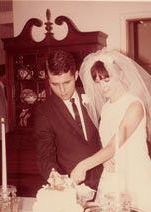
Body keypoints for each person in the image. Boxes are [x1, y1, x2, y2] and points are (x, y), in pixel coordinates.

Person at [70, 48, 151, 212]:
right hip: (113, 173)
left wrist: (83, 165)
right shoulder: (107, 107)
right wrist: (103, 158)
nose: (101, 86)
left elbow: (115, 144)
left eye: (106, 80)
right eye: (97, 82)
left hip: (134, 173)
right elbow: (107, 141)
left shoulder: (134, 105)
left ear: (120, 76)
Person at [34, 49, 103, 191]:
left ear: (76, 75)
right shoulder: (44, 111)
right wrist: (55, 176)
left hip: (107, 178)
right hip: (73, 186)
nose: (62, 90)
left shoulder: (95, 96)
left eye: (66, 82)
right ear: (48, 80)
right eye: (55, 84)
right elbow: (45, 154)